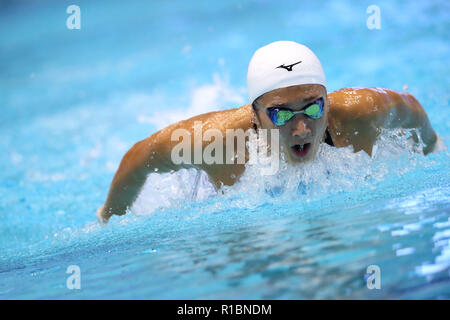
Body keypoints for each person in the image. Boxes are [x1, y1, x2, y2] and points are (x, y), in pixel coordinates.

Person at [97, 41, 439, 223]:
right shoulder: (216, 143)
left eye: (313, 107)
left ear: (327, 102)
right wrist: (108, 219)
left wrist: (432, 148)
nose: (301, 127)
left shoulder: (363, 113)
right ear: (256, 117)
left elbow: (413, 109)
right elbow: (138, 159)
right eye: (280, 114)